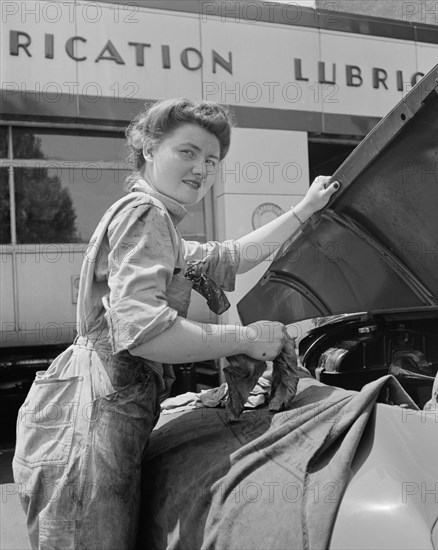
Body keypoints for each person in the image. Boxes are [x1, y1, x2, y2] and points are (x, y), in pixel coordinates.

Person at [12, 98, 340, 549]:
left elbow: (232, 256)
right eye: (187, 152)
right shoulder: (146, 216)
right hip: (90, 426)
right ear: (148, 148)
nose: (202, 169)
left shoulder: (160, 226)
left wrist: (304, 209)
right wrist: (246, 337)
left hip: (91, 412)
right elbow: (147, 334)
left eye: (212, 160)